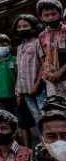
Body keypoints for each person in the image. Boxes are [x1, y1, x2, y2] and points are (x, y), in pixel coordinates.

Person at [14, 14, 46, 147]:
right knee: (37, 120)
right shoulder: (19, 47)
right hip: (25, 92)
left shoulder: (38, 42)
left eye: (25, 26)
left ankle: (49, 148)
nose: (22, 28)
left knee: (44, 119)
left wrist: (38, 84)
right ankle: (43, 149)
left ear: (33, 27)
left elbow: (45, 64)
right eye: (19, 26)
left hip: (39, 89)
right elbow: (19, 70)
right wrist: (18, 91)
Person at [38, 0, 66, 98]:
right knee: (56, 108)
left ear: (60, 14)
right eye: (46, 15)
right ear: (41, 17)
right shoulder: (42, 36)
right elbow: (44, 57)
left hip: (64, 75)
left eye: (53, 14)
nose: (50, 17)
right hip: (51, 79)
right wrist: (48, 73)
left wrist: (60, 72)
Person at [0, 34, 18, 117]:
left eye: (4, 45)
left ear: (10, 46)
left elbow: (19, 77)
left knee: (21, 122)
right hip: (1, 98)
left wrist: (19, 94)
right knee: (7, 120)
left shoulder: (15, 60)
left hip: (15, 96)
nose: (1, 47)